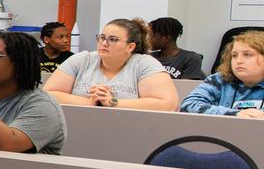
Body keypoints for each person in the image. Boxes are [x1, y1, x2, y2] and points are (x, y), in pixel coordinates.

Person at [44, 18, 179, 111]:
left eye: (113, 39)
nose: (104, 43)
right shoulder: (81, 60)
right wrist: (88, 102)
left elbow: (168, 104)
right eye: (102, 37)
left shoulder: (144, 64)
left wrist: (113, 102)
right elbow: (47, 93)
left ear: (130, 46)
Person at [180, 31, 264, 117]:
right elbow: (188, 106)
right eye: (234, 55)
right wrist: (235, 114)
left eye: (247, 55)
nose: (238, 61)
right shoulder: (219, 79)